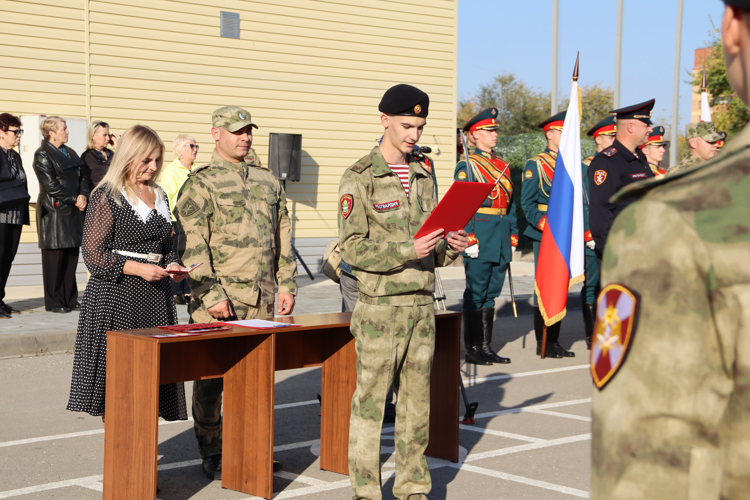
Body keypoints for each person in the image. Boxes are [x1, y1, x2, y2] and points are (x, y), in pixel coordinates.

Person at [591, 2, 750, 497]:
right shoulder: (610, 162)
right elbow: (602, 214)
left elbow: (645, 465)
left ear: (732, 28)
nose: (647, 130)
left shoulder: (676, 217)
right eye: (640, 124)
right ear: (625, 126)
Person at [338, 83, 468, 500]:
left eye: (420, 126)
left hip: (421, 306)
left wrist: (452, 246)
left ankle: (413, 488)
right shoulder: (359, 176)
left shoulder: (424, 174)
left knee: (417, 407)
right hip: (380, 308)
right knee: (372, 406)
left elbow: (433, 244)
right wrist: (406, 249)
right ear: (385, 121)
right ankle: (366, 491)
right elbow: (353, 248)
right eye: (408, 125)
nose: (415, 134)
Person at [174, 106, 297, 481]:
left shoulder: (267, 180)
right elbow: (192, 246)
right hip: (220, 301)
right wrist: (210, 295)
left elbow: (283, 234)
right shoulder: (201, 183)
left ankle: (250, 445)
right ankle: (212, 450)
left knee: (256, 379)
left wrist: (288, 282)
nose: (245, 137)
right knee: (212, 380)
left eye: (248, 131)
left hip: (262, 298)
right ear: (216, 134)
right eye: (237, 131)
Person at [66, 124, 188, 424]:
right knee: (119, 388)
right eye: (145, 160)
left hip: (156, 298)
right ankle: (123, 462)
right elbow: (92, 254)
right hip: (116, 297)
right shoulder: (108, 195)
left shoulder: (160, 194)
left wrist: (173, 265)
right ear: (128, 156)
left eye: (157, 160)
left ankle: (140, 461)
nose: (153, 167)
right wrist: (137, 268)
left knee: (150, 384)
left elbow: (166, 245)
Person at [455, 107, 517, 365]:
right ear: (475, 134)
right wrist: (468, 237)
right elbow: (461, 203)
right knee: (476, 291)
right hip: (479, 232)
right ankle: (472, 348)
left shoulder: (502, 165)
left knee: (491, 292)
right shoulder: (467, 165)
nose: (494, 135)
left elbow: (510, 204)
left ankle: (486, 346)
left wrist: (513, 235)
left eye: (495, 131)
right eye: (489, 131)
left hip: (500, 233)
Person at [522, 111, 574, 358]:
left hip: (565, 231)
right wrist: (543, 223)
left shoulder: (570, 164)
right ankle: (542, 341)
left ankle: (555, 341)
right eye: (563, 132)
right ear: (550, 134)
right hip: (546, 231)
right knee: (544, 285)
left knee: (561, 283)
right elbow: (528, 203)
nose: (566, 137)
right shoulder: (537, 164)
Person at [587, 99, 656, 267]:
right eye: (646, 125)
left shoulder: (639, 158)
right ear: (631, 127)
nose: (650, 129)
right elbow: (601, 214)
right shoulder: (606, 162)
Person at [33, 116, 89, 313]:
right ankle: (55, 301)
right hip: (55, 212)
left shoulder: (71, 152)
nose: (67, 132)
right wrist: (75, 199)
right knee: (55, 260)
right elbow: (50, 185)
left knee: (70, 257)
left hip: (73, 211)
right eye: (64, 128)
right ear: (52, 133)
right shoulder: (42, 154)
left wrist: (83, 195)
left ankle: (70, 298)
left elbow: (83, 177)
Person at [581, 115, 616, 349]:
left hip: (612, 231)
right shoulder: (587, 166)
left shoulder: (613, 163)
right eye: (611, 136)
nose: (614, 140)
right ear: (599, 139)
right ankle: (592, 334)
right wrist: (588, 232)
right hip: (593, 233)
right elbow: (583, 204)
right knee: (593, 283)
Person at [157, 133, 198, 304]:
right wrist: (168, 222)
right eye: (191, 146)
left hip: (194, 221)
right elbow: (165, 197)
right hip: (176, 220)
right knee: (176, 254)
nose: (195, 150)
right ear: (180, 150)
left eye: (196, 146)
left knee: (191, 255)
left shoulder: (196, 170)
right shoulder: (172, 171)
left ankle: (188, 290)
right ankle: (175, 292)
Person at [0, 113, 30, 319]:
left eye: (20, 131)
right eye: (15, 131)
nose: (19, 135)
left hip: (15, 214)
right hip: (0, 215)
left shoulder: (15, 155)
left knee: (7, 258)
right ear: (1, 132)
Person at [80, 120, 118, 192]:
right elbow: (99, 178)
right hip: (100, 198)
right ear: (93, 136)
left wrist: (118, 148)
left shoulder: (112, 154)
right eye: (104, 135)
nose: (108, 138)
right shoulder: (88, 157)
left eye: (108, 135)